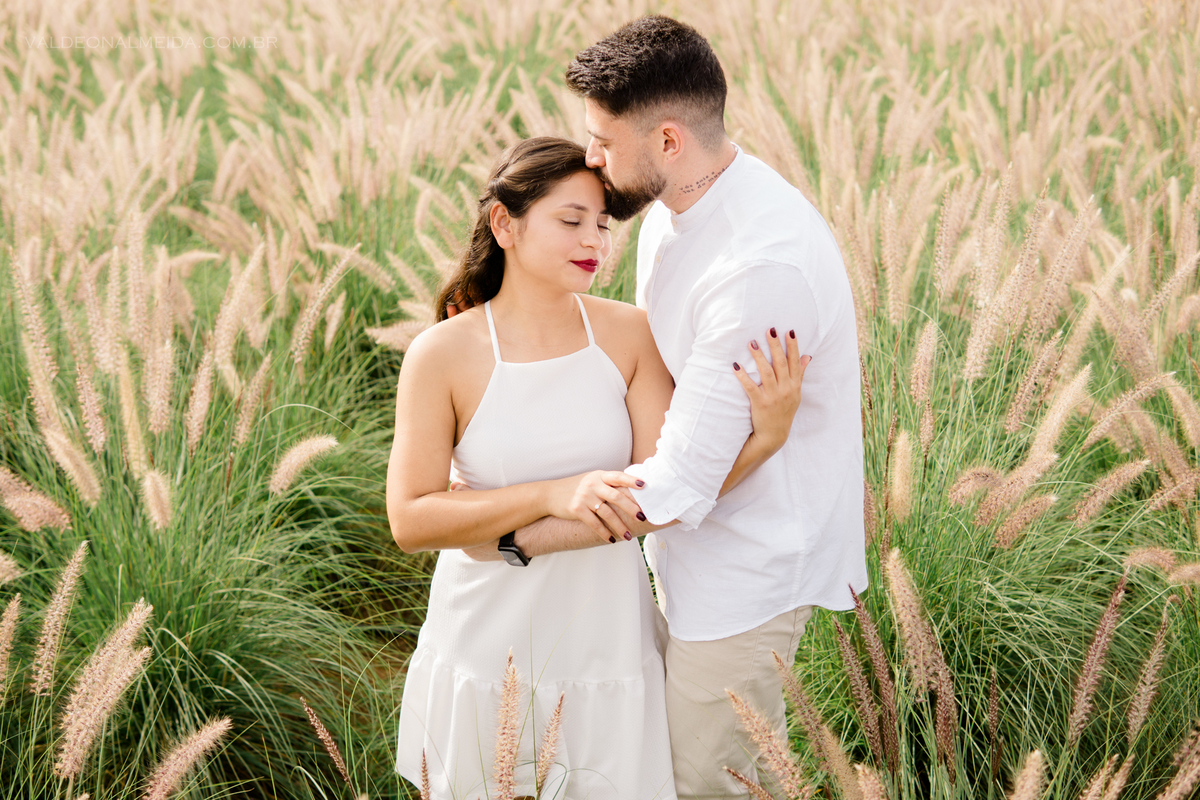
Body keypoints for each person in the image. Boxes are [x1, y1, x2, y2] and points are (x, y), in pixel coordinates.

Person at [501, 16, 866, 799]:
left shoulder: (755, 270)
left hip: (747, 572)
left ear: (669, 141)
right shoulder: (677, 203)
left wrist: (509, 541)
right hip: (685, 554)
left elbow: (677, 487)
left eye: (602, 139)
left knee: (705, 782)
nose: (590, 157)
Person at [387, 137, 807, 800]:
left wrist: (766, 440)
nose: (595, 241)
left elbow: (666, 492)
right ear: (505, 224)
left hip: (605, 638)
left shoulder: (629, 334)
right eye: (570, 220)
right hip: (484, 636)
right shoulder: (441, 354)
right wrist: (555, 492)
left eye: (604, 225)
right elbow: (411, 518)